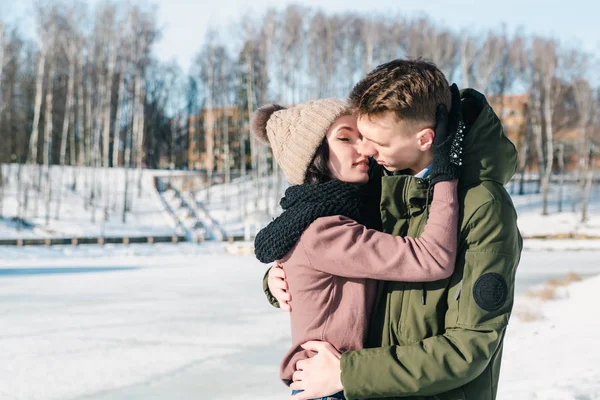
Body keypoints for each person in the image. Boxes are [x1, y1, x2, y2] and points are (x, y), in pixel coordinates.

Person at [265, 59, 523, 400]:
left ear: (424, 139)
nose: (366, 151)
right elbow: (333, 253)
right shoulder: (385, 183)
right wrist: (277, 279)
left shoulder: (483, 207)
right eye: (359, 137)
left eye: (377, 142)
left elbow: (468, 348)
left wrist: (348, 372)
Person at [250, 96, 463, 400]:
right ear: (314, 156)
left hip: (344, 382)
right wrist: (445, 172)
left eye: (362, 137)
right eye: (345, 138)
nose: (363, 148)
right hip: (332, 388)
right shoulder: (325, 230)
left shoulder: (338, 215)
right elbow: (433, 259)